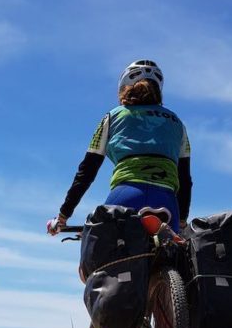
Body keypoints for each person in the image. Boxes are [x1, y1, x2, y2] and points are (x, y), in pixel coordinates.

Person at [49, 59, 192, 232]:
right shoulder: (177, 123)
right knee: (172, 256)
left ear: (124, 87)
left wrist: (63, 215)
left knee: (103, 253)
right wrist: (182, 221)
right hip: (167, 201)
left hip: (125, 195)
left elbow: (87, 171)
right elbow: (185, 180)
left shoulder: (112, 116)